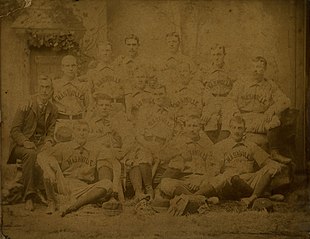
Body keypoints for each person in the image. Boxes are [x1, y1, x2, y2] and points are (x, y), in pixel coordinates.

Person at [194, 115, 283, 207]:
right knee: (226, 177)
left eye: (240, 128)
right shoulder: (221, 146)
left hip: (249, 180)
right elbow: (215, 170)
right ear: (230, 128)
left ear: (244, 129)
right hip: (231, 182)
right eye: (234, 127)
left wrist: (275, 166)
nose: (236, 131)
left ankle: (252, 198)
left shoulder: (251, 145)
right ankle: (261, 196)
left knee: (272, 167)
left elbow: (267, 161)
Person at [37, 120, 120, 216]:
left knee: (107, 183)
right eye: (78, 130)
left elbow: (114, 161)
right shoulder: (63, 146)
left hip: (84, 187)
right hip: (65, 183)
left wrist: (115, 189)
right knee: (48, 166)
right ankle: (52, 202)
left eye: (85, 130)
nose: (81, 133)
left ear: (88, 133)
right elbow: (41, 155)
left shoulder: (96, 148)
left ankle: (74, 206)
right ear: (73, 132)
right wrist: (49, 171)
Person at [7, 76, 58, 211]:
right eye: (41, 87)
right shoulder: (26, 104)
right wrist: (25, 142)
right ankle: (29, 196)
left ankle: (47, 194)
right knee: (31, 154)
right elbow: (14, 130)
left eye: (47, 87)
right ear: (37, 89)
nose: (44, 90)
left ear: (52, 90)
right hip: (21, 145)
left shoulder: (53, 109)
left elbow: (51, 132)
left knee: (51, 153)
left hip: (40, 144)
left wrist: (48, 142)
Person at [229, 56, 292, 164]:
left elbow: (286, 101)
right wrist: (236, 113)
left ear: (264, 69)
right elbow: (230, 100)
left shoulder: (269, 85)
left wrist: (272, 109)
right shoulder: (241, 83)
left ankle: (274, 152)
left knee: (275, 120)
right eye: (252, 67)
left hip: (261, 118)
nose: (255, 70)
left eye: (259, 67)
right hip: (244, 118)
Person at [201, 45, 238, 143]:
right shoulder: (205, 71)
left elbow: (236, 88)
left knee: (228, 118)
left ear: (224, 55)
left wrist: (229, 102)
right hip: (211, 100)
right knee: (209, 118)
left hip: (227, 100)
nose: (216, 57)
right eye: (213, 55)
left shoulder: (231, 70)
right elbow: (202, 89)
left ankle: (221, 147)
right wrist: (210, 105)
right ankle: (211, 148)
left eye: (219, 54)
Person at [53, 55, 89, 137]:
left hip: (78, 122)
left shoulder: (83, 86)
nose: (70, 68)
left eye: (73, 65)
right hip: (61, 122)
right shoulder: (55, 84)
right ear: (62, 68)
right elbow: (42, 96)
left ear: (77, 67)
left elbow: (88, 106)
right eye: (67, 66)